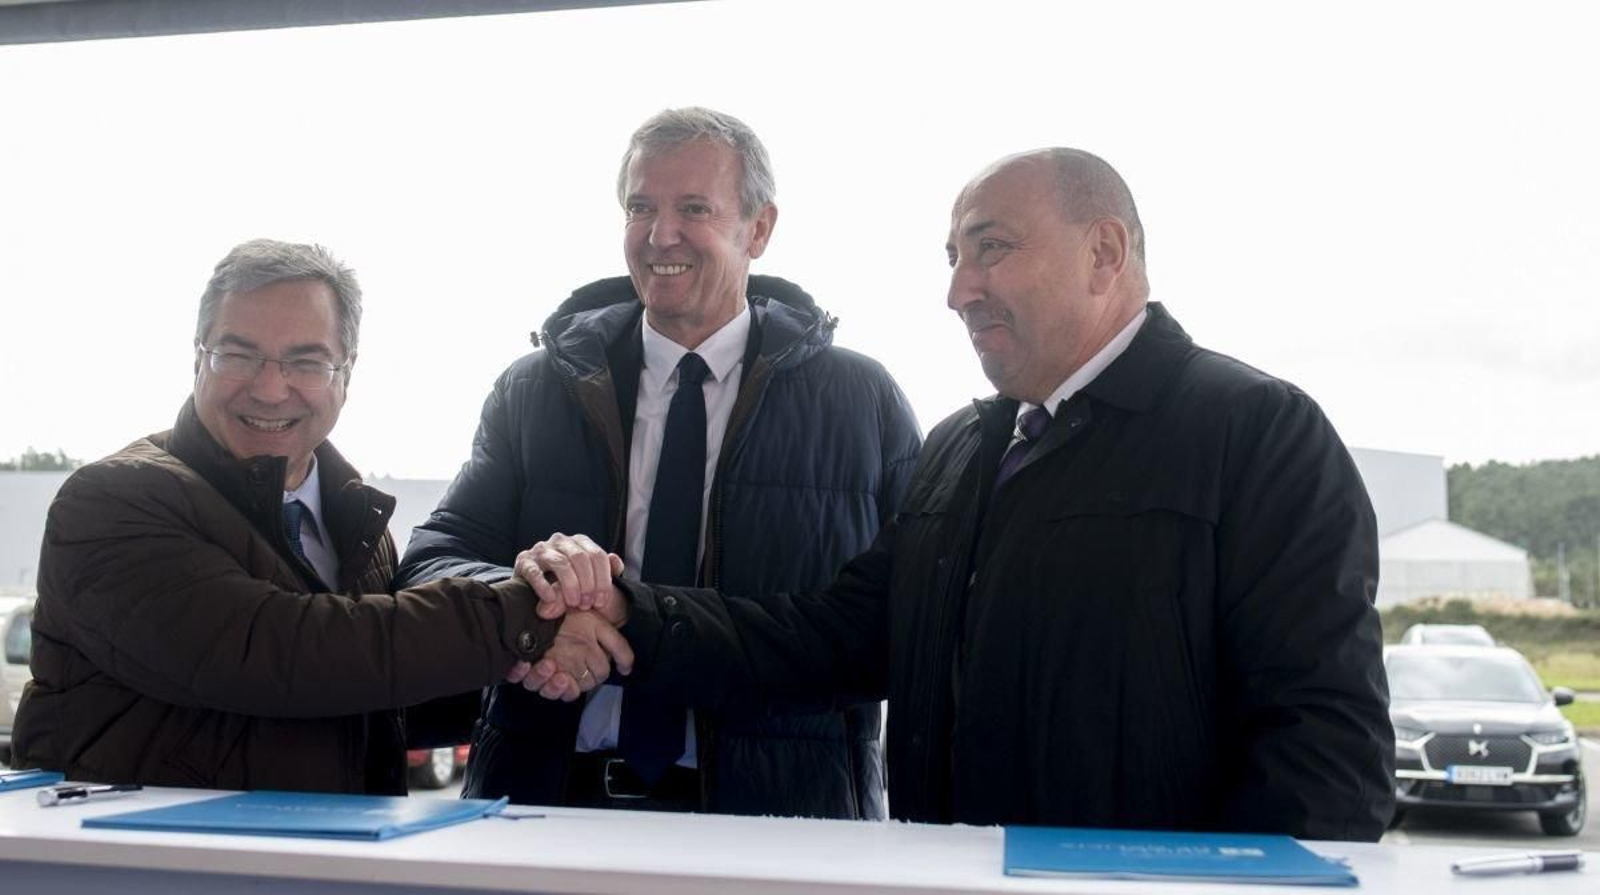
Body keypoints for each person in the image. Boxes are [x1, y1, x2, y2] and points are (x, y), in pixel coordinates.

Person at [523, 148, 1396, 840]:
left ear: (1105, 252)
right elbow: (828, 641)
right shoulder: (962, 450)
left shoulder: (1257, 434)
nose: (957, 290)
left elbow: (1327, 760)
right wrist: (631, 612)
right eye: (952, 257)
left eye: (992, 249)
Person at [394, 108, 921, 817]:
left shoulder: (864, 402)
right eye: (640, 207)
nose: (659, 234)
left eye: (693, 209)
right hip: (546, 805)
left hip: (778, 824)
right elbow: (431, 560)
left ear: (758, 229)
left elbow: (895, 627)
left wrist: (634, 615)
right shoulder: (535, 388)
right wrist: (531, 605)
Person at [10, 239, 619, 794]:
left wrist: (528, 663)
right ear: (198, 358)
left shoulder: (353, 521)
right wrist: (521, 617)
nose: (271, 389)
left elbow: (371, 690)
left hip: (319, 865)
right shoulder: (112, 501)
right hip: (128, 867)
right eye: (238, 355)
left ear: (345, 375)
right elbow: (277, 652)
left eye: (306, 362)